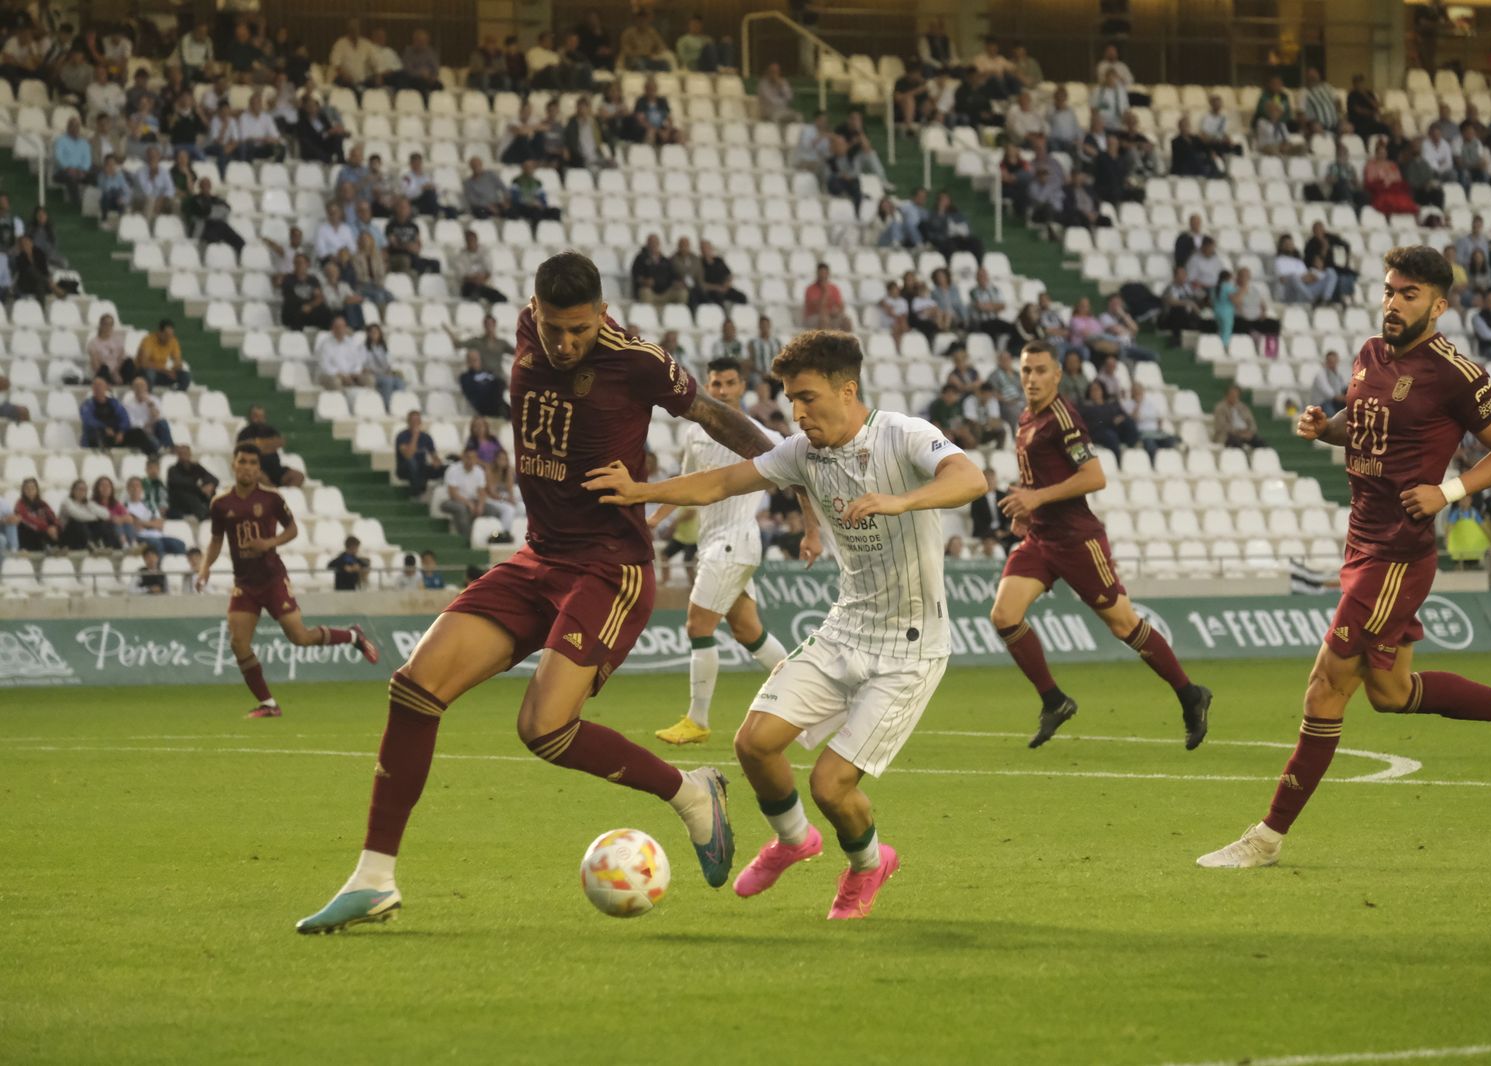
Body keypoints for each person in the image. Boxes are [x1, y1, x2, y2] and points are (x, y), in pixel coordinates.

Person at [297, 251, 802, 934]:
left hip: (609, 567)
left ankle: (688, 792)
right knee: (413, 689)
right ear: (533, 313)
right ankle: (374, 878)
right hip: (538, 557)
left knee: (542, 728)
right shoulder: (527, 330)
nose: (563, 344)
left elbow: (711, 414)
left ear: (601, 316)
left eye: (578, 331)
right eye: (552, 328)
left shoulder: (636, 360)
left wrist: (794, 469)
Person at [586, 328, 985, 920]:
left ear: (847, 391)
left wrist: (898, 501)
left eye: (808, 397)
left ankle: (869, 865)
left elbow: (970, 479)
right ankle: (796, 841)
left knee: (831, 785)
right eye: (790, 399)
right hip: (845, 628)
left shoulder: (903, 435)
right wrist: (639, 491)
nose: (796, 412)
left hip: (910, 647)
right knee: (754, 743)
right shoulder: (802, 452)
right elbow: (721, 481)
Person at [1197, 246, 1491, 870]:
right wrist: (1327, 427)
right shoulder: (1370, 353)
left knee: (1325, 688)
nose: (1393, 302)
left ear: (1439, 305)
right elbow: (1366, 423)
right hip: (1361, 542)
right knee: (1391, 693)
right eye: (1390, 290)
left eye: (1409, 294)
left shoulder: (1458, 373)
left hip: (1397, 554)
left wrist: (1449, 491)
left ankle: (1265, 838)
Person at [988, 342, 1209, 746]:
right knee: (1004, 615)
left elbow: (1094, 476)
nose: (1032, 379)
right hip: (1041, 538)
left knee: (1123, 624)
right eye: (1025, 371)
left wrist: (1036, 499)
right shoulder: (1025, 418)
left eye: (1040, 371)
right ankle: (1054, 700)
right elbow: (1040, 478)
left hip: (1076, 539)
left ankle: (1190, 694)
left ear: (1057, 375)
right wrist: (1026, 509)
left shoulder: (1064, 418)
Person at [648, 358, 791, 745]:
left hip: (735, 540)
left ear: (742, 386)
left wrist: (812, 531)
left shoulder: (764, 438)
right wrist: (653, 521)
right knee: (749, 631)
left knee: (698, 626)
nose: (723, 390)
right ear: (707, 386)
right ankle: (810, 699)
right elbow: (684, 483)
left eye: (730, 383)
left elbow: (799, 482)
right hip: (717, 542)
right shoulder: (696, 433)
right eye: (716, 383)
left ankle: (698, 719)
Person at [196, 443, 378, 718]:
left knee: (300, 637)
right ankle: (268, 704)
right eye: (242, 461)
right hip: (244, 583)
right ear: (234, 464)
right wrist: (204, 567)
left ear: (258, 469)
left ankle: (353, 635)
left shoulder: (271, 498)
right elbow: (217, 539)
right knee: (238, 642)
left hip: (272, 578)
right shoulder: (221, 503)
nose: (247, 467)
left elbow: (292, 529)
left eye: (252, 463)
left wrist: (269, 542)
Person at [80, 377, 156, 455]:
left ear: (106, 388)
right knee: (97, 433)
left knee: (138, 433)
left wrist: (121, 432)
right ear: (93, 389)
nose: (98, 389)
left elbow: (124, 418)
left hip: (116, 436)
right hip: (98, 437)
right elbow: (89, 420)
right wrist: (104, 428)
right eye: (96, 386)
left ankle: (153, 456)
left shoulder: (113, 403)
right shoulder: (88, 405)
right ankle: (104, 458)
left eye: (100, 386)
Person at [236, 405, 305, 488]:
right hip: (258, 469)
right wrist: (269, 445)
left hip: (276, 469)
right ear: (250, 417)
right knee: (258, 475)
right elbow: (244, 446)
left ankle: (285, 496)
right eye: (256, 416)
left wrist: (259, 445)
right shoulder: (245, 433)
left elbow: (280, 442)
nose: (259, 419)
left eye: (261, 416)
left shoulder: (271, 430)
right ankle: (274, 494)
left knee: (298, 476)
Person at [1212, 384, 1265, 448]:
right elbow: (1222, 426)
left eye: (1236, 395)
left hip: (1246, 434)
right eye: (1232, 394)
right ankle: (1243, 457)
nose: (1234, 396)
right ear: (1227, 395)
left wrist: (1250, 431)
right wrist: (1239, 432)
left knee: (1260, 441)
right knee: (1236, 442)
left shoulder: (1243, 407)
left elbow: (1252, 423)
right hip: (1227, 436)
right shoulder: (1220, 408)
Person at [15, 479, 61, 552]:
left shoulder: (42, 503)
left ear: (37, 489)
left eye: (33, 488)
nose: (30, 490)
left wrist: (54, 526)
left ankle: (55, 547)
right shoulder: (20, 504)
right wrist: (46, 528)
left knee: (60, 528)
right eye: (27, 488)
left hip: (44, 531)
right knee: (31, 528)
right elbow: (28, 519)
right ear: (23, 491)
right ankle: (48, 547)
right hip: (29, 534)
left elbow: (52, 516)